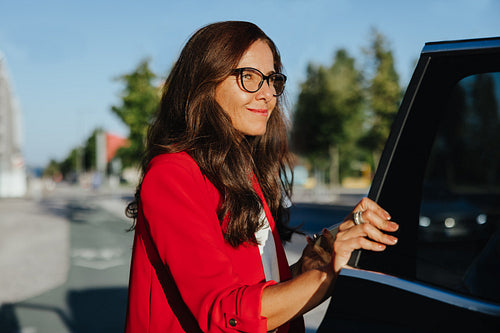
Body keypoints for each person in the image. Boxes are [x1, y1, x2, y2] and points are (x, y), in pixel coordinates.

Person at [124, 21, 399, 333]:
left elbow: (258, 290)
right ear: (204, 83)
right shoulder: (172, 175)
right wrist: (327, 276)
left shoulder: (244, 172)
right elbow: (225, 314)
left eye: (272, 79)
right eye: (249, 77)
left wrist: (326, 252)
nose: (268, 93)